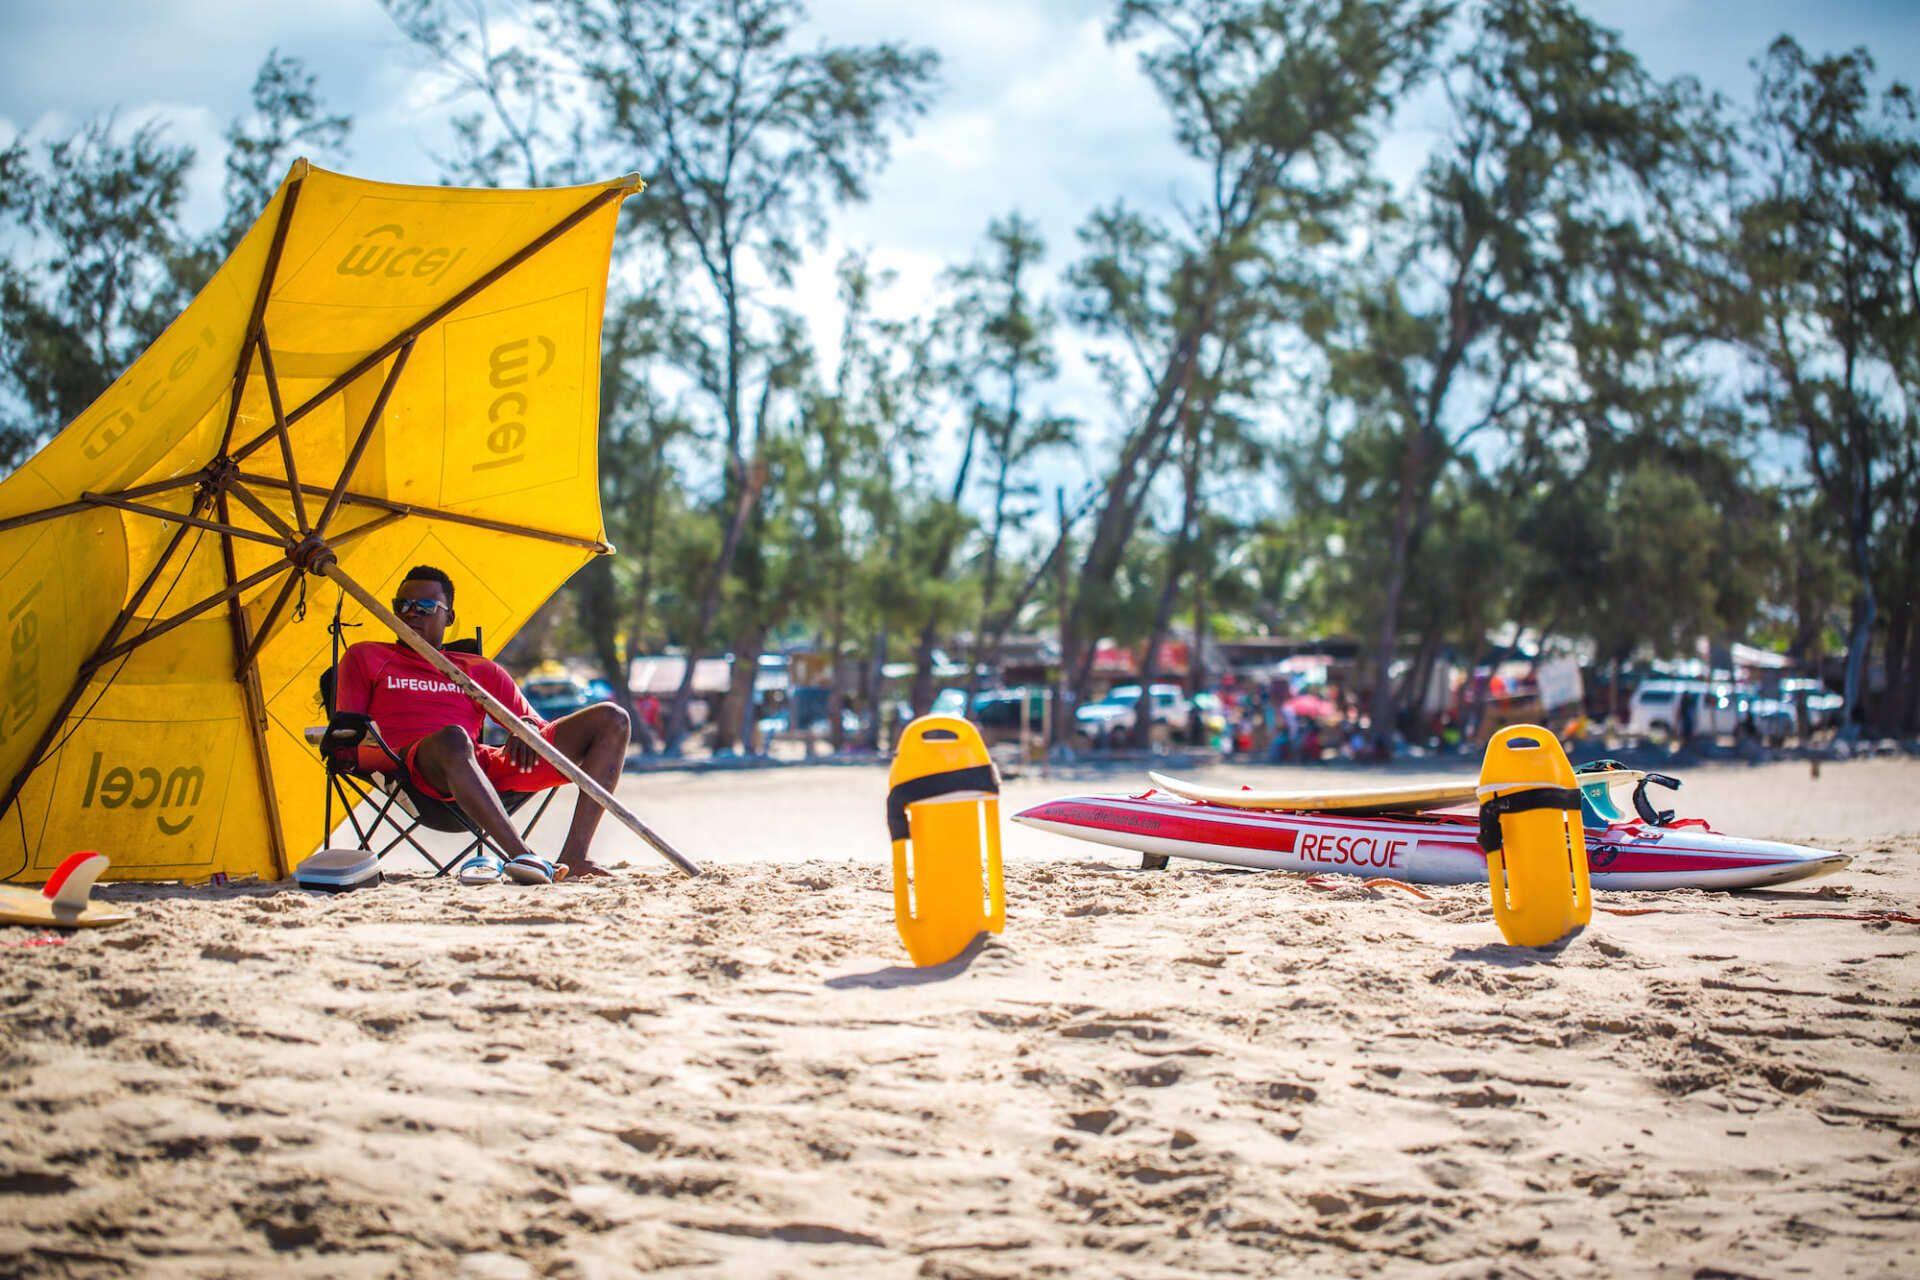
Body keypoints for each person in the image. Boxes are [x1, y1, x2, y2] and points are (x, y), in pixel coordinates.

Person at [334, 565, 632, 882]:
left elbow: (531, 721)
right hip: (410, 769)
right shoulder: (367, 657)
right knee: (453, 738)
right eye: (403, 605)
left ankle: (576, 855)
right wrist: (381, 758)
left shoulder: (478, 670)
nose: (411, 614)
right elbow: (347, 738)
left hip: (479, 769)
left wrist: (525, 728)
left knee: (612, 718)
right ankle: (523, 856)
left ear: (448, 618)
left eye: (424, 607)